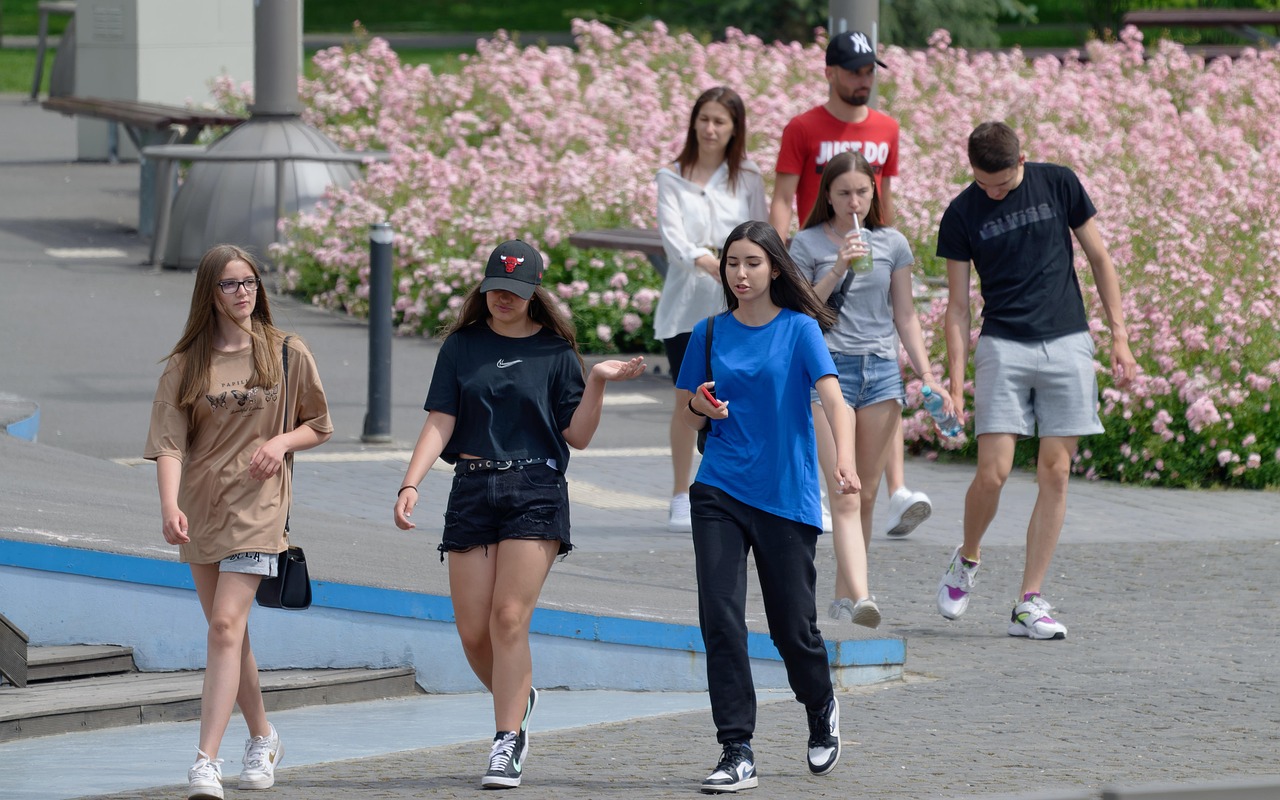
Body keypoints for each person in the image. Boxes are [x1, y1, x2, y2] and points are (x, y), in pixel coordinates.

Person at [393, 240, 645, 789]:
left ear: (534, 293)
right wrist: (411, 482)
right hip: (471, 487)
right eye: (495, 289)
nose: (503, 298)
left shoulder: (556, 352)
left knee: (508, 618)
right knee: (473, 632)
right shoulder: (462, 346)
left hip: (536, 487)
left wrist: (597, 381)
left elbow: (578, 434)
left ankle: (506, 741)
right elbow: (440, 418)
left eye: (514, 291)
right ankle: (519, 695)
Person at [936, 121, 1138, 640]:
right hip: (1002, 344)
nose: (993, 192)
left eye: (1002, 183)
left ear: (1022, 160)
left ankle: (1029, 601)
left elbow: (1099, 258)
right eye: (984, 183)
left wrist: (1119, 336)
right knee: (993, 473)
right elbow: (957, 308)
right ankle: (968, 557)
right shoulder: (961, 213)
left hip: (1068, 340)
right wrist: (955, 385)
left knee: (1057, 472)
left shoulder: (1059, 182)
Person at [144, 244, 333, 799]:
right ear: (210, 292)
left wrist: (281, 441)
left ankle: (205, 761)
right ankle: (263, 736)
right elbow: (169, 444)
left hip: (260, 507)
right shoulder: (185, 365)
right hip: (202, 507)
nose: (243, 292)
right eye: (229, 284)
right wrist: (169, 505)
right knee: (230, 633)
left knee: (225, 626)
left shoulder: (286, 351)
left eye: (249, 281)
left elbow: (319, 425)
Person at [678, 220, 857, 794]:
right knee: (721, 619)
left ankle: (820, 704)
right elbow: (686, 408)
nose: (741, 273)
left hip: (784, 495)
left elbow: (835, 401)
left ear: (775, 267)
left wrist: (844, 461)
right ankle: (736, 749)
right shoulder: (708, 333)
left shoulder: (800, 330)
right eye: (732, 263)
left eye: (752, 262)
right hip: (718, 489)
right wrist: (702, 406)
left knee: (791, 628)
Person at [771, 29, 934, 539]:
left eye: (869, 71)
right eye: (854, 71)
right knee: (841, 479)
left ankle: (896, 493)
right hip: (818, 275)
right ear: (831, 73)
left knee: (865, 481)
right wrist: (776, 260)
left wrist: (886, 248)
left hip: (876, 332)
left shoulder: (886, 128)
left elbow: (885, 199)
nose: (864, 79)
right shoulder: (803, 127)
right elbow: (782, 196)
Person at [790, 151, 950, 629]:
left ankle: (846, 597)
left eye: (862, 192)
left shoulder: (892, 242)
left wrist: (927, 374)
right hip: (828, 369)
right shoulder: (807, 243)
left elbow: (905, 315)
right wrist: (837, 266)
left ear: (873, 193)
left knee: (866, 493)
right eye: (843, 193)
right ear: (828, 196)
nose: (853, 201)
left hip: (880, 370)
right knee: (842, 488)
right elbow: (801, 311)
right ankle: (861, 594)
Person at [654, 86, 769, 533]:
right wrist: (713, 264)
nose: (710, 129)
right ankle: (679, 493)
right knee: (687, 399)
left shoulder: (748, 177)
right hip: (686, 306)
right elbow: (674, 240)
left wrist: (740, 272)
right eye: (704, 119)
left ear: (735, 128)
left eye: (720, 121)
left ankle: (736, 489)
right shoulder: (671, 176)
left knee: (738, 396)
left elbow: (760, 232)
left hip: (739, 303)